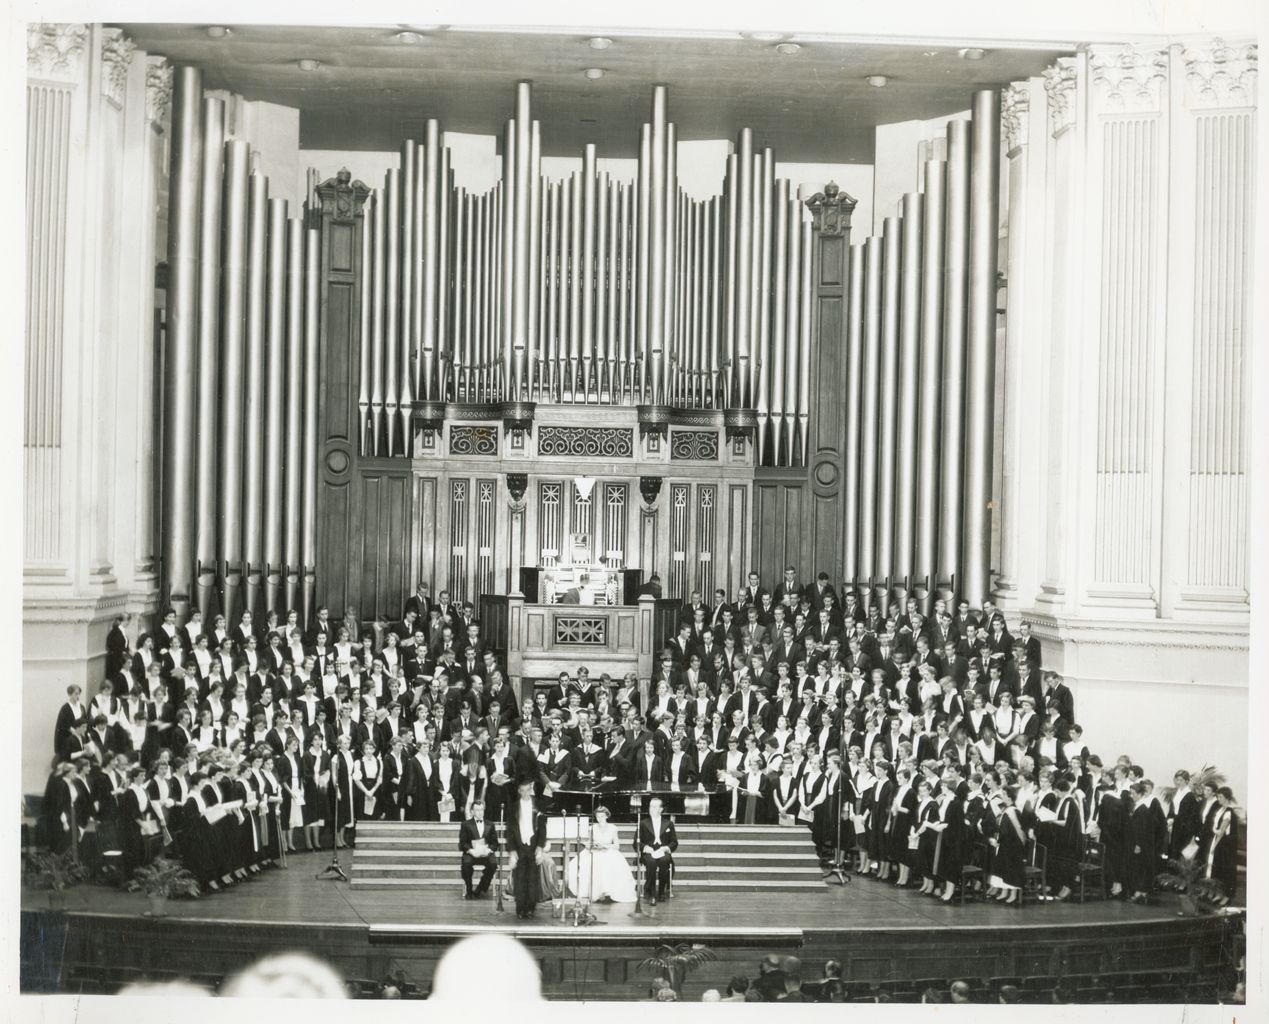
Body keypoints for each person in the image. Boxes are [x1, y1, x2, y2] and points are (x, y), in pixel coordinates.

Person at [565, 804, 638, 903]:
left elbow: (617, 846)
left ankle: (608, 892)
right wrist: (591, 845)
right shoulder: (592, 828)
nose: (599, 819)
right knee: (583, 864)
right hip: (595, 851)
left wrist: (605, 846)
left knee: (607, 863)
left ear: (606, 816)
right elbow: (589, 843)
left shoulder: (612, 828)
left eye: (602, 816)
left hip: (608, 851)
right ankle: (596, 892)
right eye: (597, 816)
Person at [507, 779, 548, 919]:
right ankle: (520, 909)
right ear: (519, 791)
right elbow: (510, 831)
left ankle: (531, 908)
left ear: (531, 789)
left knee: (532, 879)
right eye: (522, 790)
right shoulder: (513, 807)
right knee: (519, 879)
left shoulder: (539, 805)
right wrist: (512, 850)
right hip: (519, 846)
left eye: (527, 790)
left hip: (533, 846)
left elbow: (542, 829)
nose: (525, 793)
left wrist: (540, 847)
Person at [635, 795, 677, 904]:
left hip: (662, 851)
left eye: (655, 807)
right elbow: (636, 842)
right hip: (649, 852)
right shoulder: (643, 823)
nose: (651, 809)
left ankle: (661, 891)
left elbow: (674, 842)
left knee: (664, 861)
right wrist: (644, 847)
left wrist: (666, 848)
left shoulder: (668, 823)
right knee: (651, 862)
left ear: (661, 809)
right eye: (650, 807)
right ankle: (651, 892)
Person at [458, 799, 499, 899]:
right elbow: (462, 843)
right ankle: (469, 889)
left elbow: (495, 843)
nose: (480, 812)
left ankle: (481, 887)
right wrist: (471, 851)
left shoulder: (490, 825)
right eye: (477, 810)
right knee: (466, 863)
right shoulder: (465, 824)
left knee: (493, 864)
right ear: (472, 811)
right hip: (472, 853)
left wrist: (488, 850)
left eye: (481, 810)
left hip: (486, 853)